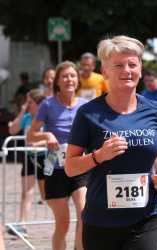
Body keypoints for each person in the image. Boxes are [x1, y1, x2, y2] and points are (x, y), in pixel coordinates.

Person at [65, 35, 157, 250]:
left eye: (133, 64)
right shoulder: (88, 113)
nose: (127, 70)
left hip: (145, 217)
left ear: (140, 70)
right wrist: (99, 156)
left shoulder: (155, 110)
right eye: (119, 65)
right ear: (105, 72)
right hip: (100, 221)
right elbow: (70, 167)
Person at [27, 61, 87, 250]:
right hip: (54, 168)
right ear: (58, 82)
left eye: (73, 76)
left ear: (78, 80)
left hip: (79, 167)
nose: (69, 79)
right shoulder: (48, 104)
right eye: (65, 76)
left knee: (85, 215)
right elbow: (31, 135)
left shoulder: (85, 106)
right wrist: (47, 135)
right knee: (63, 224)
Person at [8, 89, 47, 237]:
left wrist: (40, 143)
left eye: (29, 102)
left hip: (45, 158)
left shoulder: (47, 118)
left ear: (38, 104)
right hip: (29, 157)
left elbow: (53, 136)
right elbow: (12, 130)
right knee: (27, 192)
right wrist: (22, 112)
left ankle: (62, 219)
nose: (27, 104)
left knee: (47, 196)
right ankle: (22, 224)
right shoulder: (26, 117)